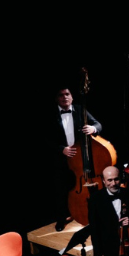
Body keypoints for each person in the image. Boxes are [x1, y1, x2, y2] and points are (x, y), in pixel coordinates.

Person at [48, 86, 103, 233]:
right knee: (61, 190)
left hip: (81, 158)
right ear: (56, 99)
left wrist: (93, 128)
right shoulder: (51, 115)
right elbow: (46, 139)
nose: (64, 97)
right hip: (61, 159)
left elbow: (98, 124)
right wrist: (61, 149)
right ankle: (61, 219)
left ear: (72, 97)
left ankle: (91, 215)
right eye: (61, 95)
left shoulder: (80, 110)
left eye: (67, 94)